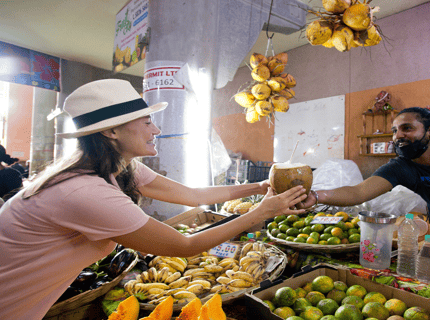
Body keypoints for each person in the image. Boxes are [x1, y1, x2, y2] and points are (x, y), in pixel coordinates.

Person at [0, 79, 308, 319]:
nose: (156, 129)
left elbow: (192, 195)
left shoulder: (120, 168)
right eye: (147, 122)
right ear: (111, 131)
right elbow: (183, 246)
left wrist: (258, 188)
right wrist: (260, 214)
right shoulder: (84, 192)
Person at [300, 107, 430, 223]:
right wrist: (316, 195)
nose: (397, 136)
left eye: (407, 128)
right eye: (395, 131)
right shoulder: (402, 167)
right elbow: (359, 192)